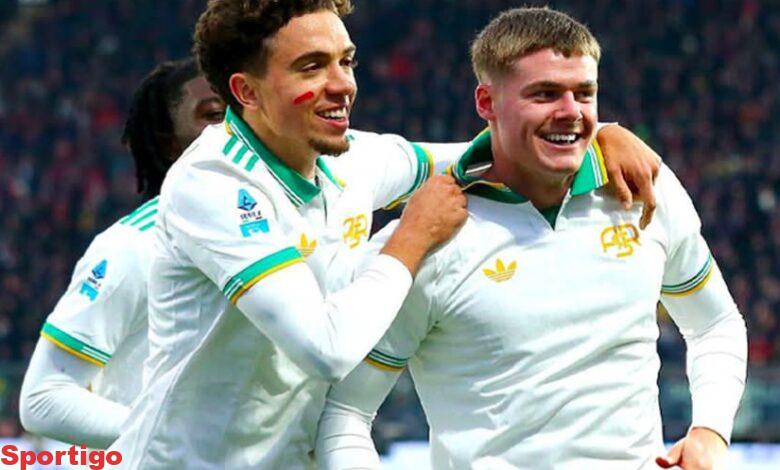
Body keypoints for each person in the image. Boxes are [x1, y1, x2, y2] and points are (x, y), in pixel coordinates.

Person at [111, 1, 661, 468]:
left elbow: (501, 151)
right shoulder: (213, 184)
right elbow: (325, 350)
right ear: (247, 92)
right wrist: (411, 238)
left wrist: (600, 136)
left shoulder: (354, 159)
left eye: (346, 61)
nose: (343, 85)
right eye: (311, 67)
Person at [315, 7, 747, 470]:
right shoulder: (425, 239)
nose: (571, 112)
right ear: (486, 102)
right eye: (544, 94)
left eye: (584, 94)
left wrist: (710, 432)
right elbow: (344, 414)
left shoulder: (642, 187)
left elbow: (715, 324)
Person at [18, 58, 226, 449]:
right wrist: (177, 442)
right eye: (214, 115)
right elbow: (44, 398)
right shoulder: (135, 247)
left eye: (245, 111)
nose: (233, 128)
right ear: (171, 143)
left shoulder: (296, 228)